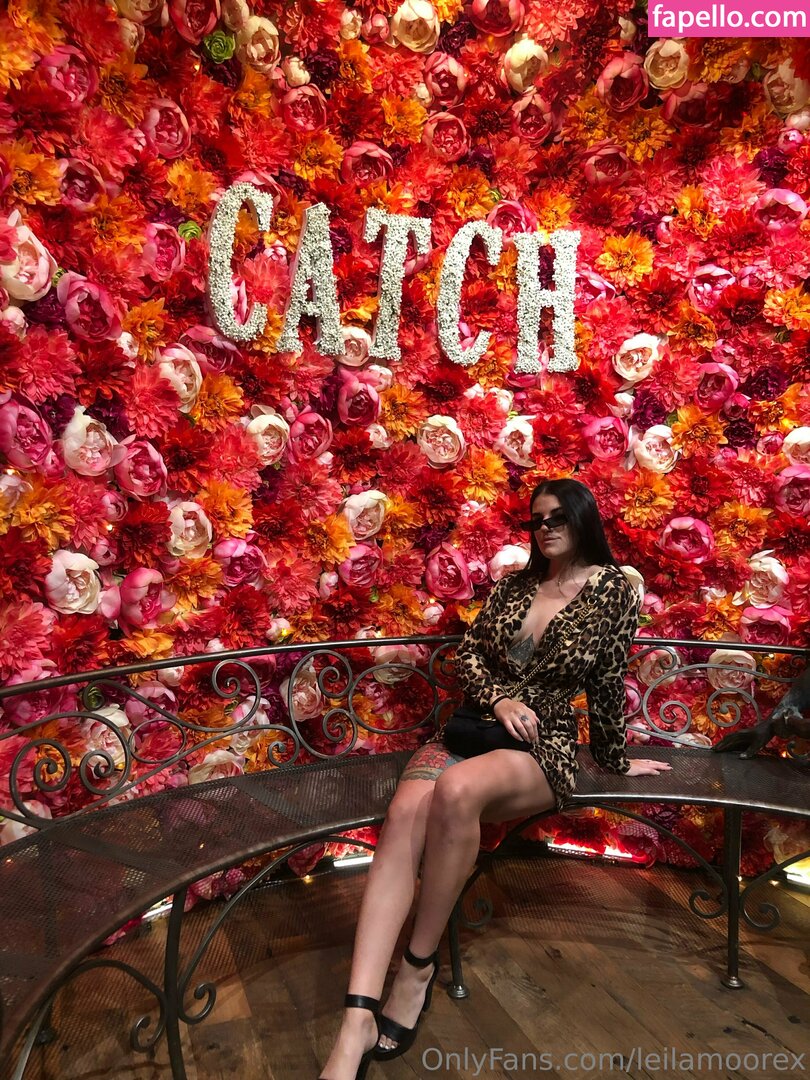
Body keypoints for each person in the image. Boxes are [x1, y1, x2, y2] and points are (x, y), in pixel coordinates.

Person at [318, 478, 672, 1080]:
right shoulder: (515, 585)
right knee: (403, 815)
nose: (546, 528)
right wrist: (499, 698)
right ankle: (356, 1020)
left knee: (456, 791)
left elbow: (608, 682)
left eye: (558, 517)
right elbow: (470, 654)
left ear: (583, 518)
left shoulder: (614, 591)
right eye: (537, 520)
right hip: (473, 730)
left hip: (543, 742)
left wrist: (615, 759)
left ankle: (416, 969)